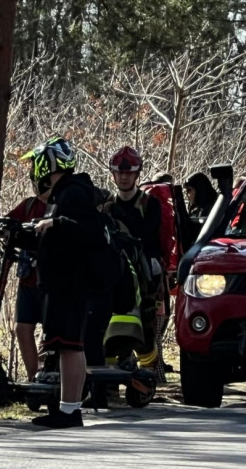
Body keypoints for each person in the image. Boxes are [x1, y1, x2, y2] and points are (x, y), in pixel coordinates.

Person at [21, 136, 111, 428]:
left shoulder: (73, 193)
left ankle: (70, 411)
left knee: (70, 344)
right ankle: (67, 407)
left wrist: (56, 223)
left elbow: (90, 231)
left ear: (47, 166)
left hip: (69, 283)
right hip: (62, 282)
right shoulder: (65, 195)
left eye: (36, 166)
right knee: (65, 344)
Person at [101, 146, 169, 382]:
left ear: (137, 174)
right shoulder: (106, 205)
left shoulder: (151, 204)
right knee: (107, 327)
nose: (124, 177)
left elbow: (149, 237)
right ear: (113, 175)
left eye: (129, 173)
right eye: (120, 173)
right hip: (113, 273)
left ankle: (148, 379)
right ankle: (108, 383)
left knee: (147, 328)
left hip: (145, 273)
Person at [0, 190, 48, 382]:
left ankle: (54, 377)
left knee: (53, 334)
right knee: (22, 328)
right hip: (28, 279)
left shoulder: (60, 205)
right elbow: (5, 222)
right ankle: (34, 378)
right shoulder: (29, 205)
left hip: (51, 282)